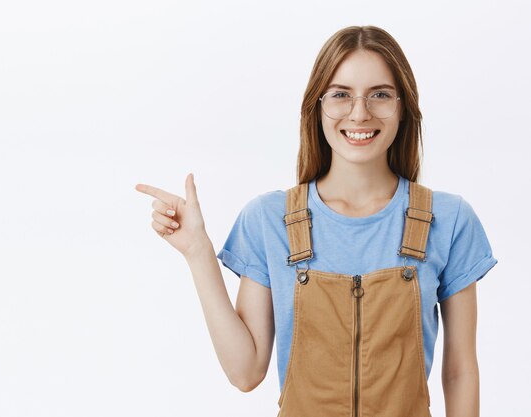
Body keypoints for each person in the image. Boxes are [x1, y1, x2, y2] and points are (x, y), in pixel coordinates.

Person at [135, 25, 497, 417]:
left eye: (380, 94)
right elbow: (245, 372)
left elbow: (460, 371)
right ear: (318, 105)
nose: (360, 113)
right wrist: (197, 253)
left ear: (403, 106)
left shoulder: (450, 219)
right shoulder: (268, 220)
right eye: (341, 95)